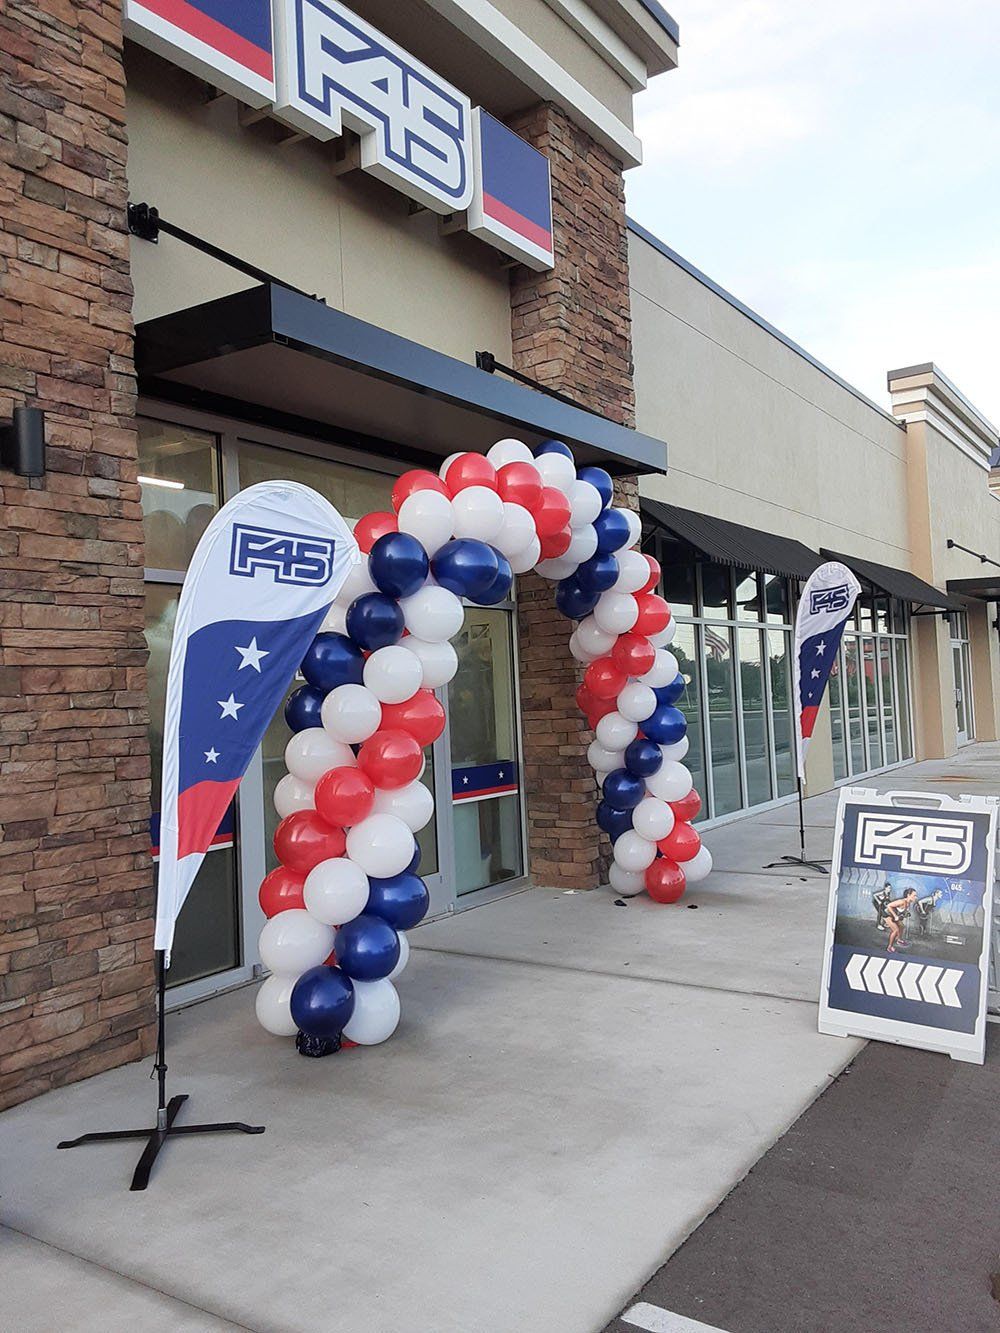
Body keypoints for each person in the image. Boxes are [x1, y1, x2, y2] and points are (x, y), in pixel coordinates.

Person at [884, 888, 918, 953]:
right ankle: (889, 947)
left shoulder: (908, 903)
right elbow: (889, 906)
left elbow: (901, 911)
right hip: (887, 915)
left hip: (893, 915)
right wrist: (895, 916)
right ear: (908, 895)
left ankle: (899, 940)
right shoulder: (902, 901)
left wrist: (905, 913)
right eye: (914, 895)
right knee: (896, 930)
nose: (916, 897)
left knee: (901, 926)